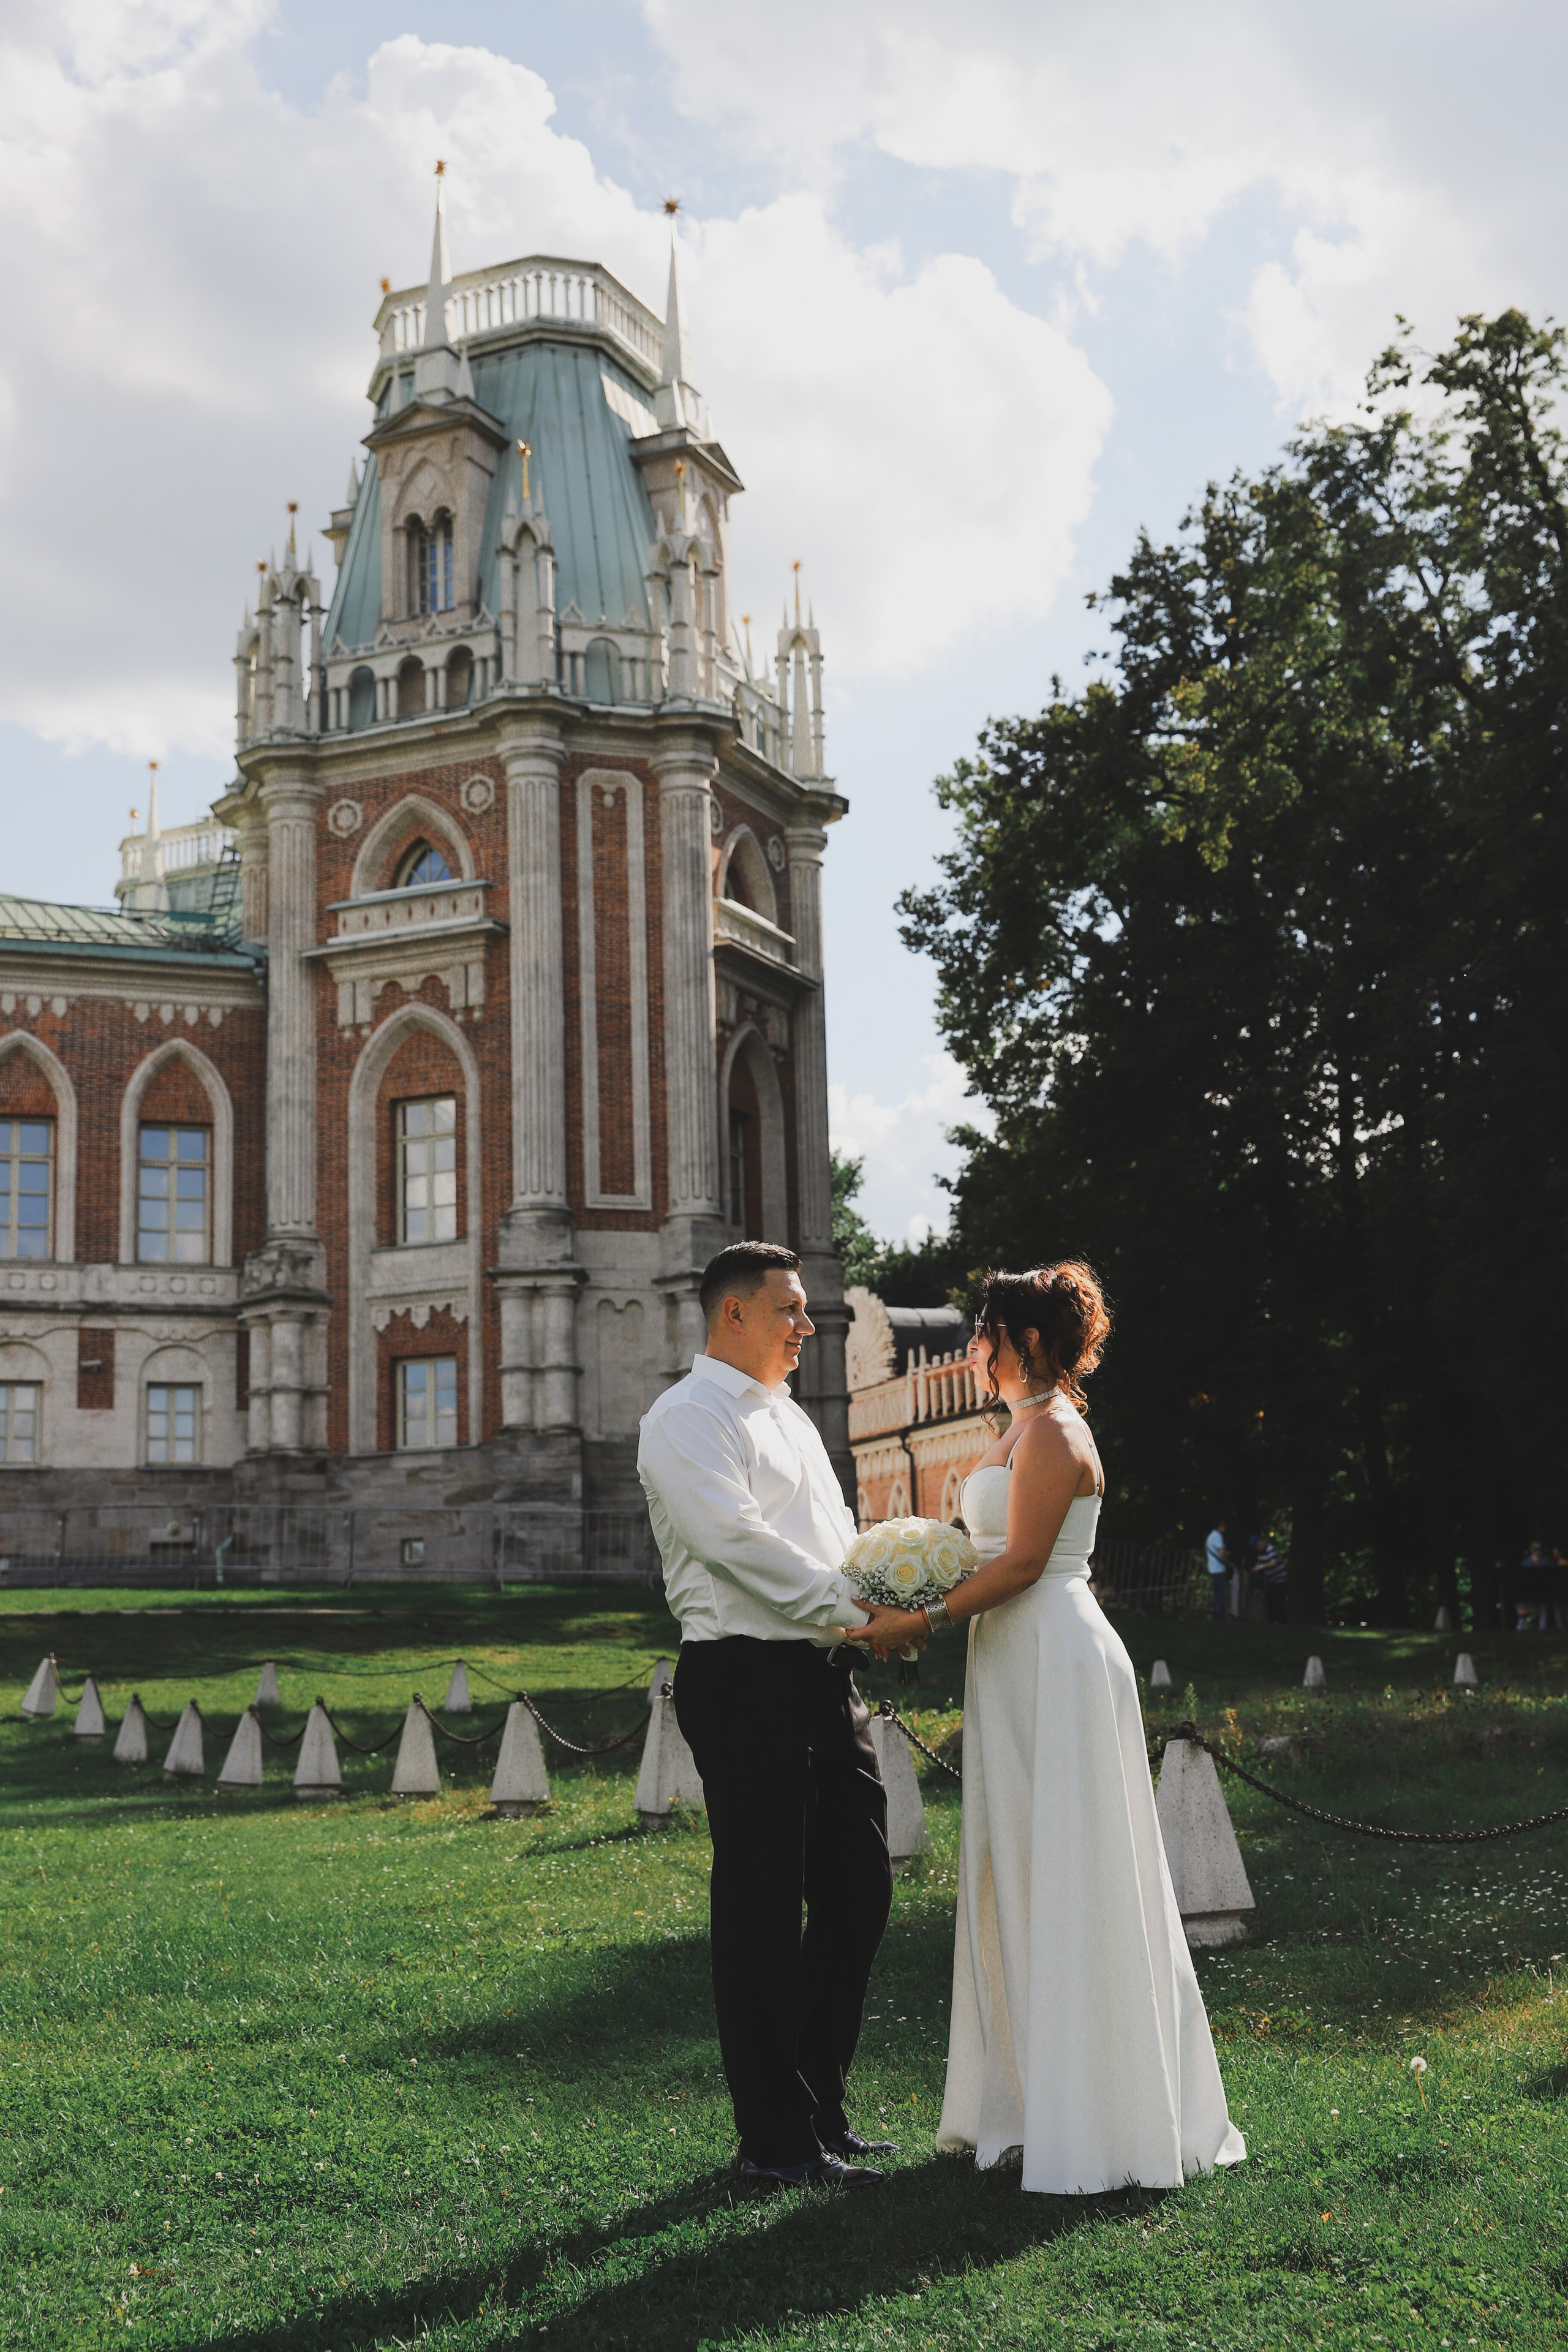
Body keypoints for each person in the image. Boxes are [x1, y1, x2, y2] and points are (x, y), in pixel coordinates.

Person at [850, 1262, 1245, 2196]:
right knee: (1014, 1864)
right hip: (1010, 1657)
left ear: (1026, 1341)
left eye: (984, 1336)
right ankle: (1027, 2101)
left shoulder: (1058, 1433)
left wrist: (925, 1621)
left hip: (1056, 1654)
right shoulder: (1016, 1429)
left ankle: (1101, 2114)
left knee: (1073, 1866)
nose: (974, 1353)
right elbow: (979, 1553)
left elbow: (1025, 1562)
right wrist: (905, 1593)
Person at [637, 1241, 908, 2191]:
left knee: (861, 1882)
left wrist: (893, 1588)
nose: (807, 1327)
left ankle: (820, 2108)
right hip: (743, 1677)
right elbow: (733, 1545)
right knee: (760, 1904)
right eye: (790, 1310)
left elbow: (831, 1538)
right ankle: (776, 2140)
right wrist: (860, 1612)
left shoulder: (787, 1417)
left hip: (823, 1673)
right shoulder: (684, 1418)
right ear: (734, 1315)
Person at [1205, 1519, 1231, 1620]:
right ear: (1221, 1526)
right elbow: (1222, 1552)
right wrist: (1227, 1562)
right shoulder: (1218, 1536)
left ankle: (1217, 1616)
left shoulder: (1210, 1537)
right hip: (1219, 1569)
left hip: (1213, 1568)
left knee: (1217, 1594)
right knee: (1220, 1595)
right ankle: (1219, 1617)